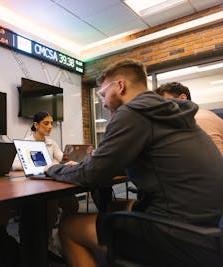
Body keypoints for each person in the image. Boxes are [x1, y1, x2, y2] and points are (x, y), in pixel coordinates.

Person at [44, 59, 223, 266]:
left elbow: (93, 175)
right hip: (208, 225)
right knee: (111, 206)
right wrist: (89, 166)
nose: (102, 102)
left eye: (103, 94)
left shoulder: (133, 113)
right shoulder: (168, 113)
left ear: (121, 86)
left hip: (178, 234)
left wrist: (53, 169)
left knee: (69, 227)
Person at [12, 111, 79, 256]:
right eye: (46, 123)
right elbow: (15, 164)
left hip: (51, 181)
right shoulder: (27, 142)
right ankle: (47, 242)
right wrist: (46, 165)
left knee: (72, 203)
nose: (50, 127)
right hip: (34, 184)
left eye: (51, 123)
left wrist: (70, 159)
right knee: (51, 206)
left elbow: (62, 159)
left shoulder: (51, 143)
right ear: (36, 125)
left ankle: (63, 234)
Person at [154, 81, 223, 155]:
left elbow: (218, 159)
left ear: (182, 98)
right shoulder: (190, 120)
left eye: (166, 103)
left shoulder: (199, 118)